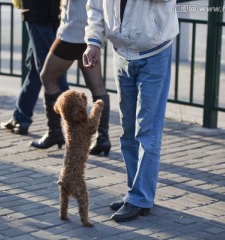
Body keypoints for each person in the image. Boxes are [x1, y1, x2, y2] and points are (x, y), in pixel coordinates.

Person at [83, 0, 179, 222]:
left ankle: (140, 197)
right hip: (122, 54)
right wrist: (93, 42)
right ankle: (135, 192)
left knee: (147, 130)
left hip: (154, 52)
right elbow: (96, 9)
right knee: (128, 131)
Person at [30, 0, 111, 156]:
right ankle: (103, 138)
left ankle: (54, 132)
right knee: (97, 86)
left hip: (73, 31)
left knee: (47, 77)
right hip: (90, 31)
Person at [0, 0, 69, 135]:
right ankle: (21, 117)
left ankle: (75, 124)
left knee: (50, 71)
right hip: (47, 12)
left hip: (40, 12)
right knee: (36, 68)